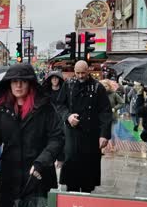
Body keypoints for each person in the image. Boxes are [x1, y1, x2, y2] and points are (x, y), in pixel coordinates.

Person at [0, 63, 64, 206]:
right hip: (11, 175)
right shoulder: (2, 109)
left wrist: (42, 161)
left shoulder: (45, 108)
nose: (18, 85)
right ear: (9, 83)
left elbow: (57, 138)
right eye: (14, 81)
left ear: (30, 83)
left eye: (23, 81)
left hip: (37, 174)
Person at [56, 60, 112, 193]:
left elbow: (106, 111)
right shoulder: (68, 85)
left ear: (88, 71)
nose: (80, 76)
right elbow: (60, 105)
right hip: (72, 135)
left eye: (83, 73)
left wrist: (104, 134)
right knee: (72, 174)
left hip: (91, 135)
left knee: (88, 175)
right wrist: (68, 116)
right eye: (78, 73)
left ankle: (86, 195)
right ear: (74, 72)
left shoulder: (98, 87)